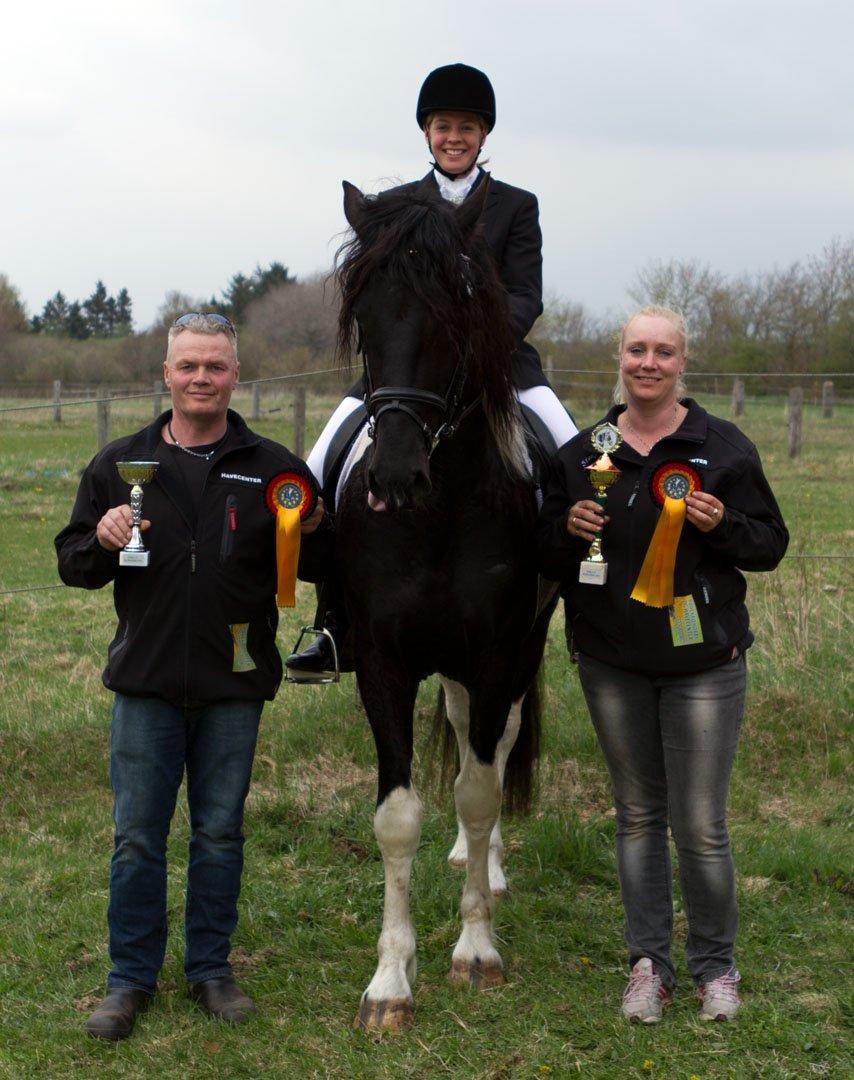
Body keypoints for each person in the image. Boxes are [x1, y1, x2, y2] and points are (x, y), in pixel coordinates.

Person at [55, 313, 331, 1040]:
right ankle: (128, 981)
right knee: (138, 837)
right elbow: (72, 563)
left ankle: (211, 969)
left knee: (218, 833)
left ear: (236, 376)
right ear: (167, 375)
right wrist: (105, 538)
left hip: (234, 681)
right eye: (188, 367)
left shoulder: (275, 467)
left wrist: (317, 529)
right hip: (145, 682)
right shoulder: (122, 461)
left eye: (215, 367)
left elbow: (324, 563)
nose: (201, 379)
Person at [537, 306, 788, 1023]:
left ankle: (716, 969)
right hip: (611, 661)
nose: (649, 362)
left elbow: (770, 544)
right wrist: (565, 527)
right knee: (638, 816)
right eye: (637, 349)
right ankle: (649, 965)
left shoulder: (723, 447)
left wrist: (722, 524)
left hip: (703, 662)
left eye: (664, 352)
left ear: (683, 363)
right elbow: (542, 551)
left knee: (700, 823)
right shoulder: (587, 451)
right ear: (619, 356)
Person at [288, 61, 577, 679]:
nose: (454, 137)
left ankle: (581, 605)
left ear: (483, 135)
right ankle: (333, 622)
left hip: (501, 369)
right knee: (315, 473)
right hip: (405, 373)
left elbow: (527, 294)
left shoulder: (515, 208)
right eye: (443, 125)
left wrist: (484, 343)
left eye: (466, 127)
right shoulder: (391, 208)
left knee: (578, 462)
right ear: (426, 132)